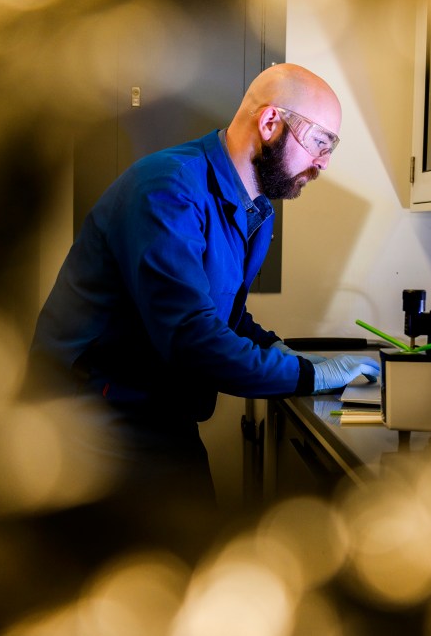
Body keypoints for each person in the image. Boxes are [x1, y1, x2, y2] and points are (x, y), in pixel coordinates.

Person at [29, 63, 379, 514]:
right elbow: (194, 340)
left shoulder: (253, 210)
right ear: (271, 122)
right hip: (92, 424)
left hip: (159, 412)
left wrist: (285, 352)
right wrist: (311, 376)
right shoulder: (168, 189)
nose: (323, 163)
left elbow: (224, 315)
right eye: (319, 142)